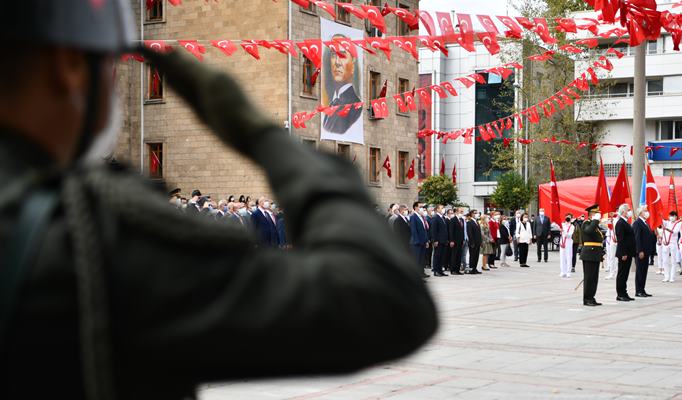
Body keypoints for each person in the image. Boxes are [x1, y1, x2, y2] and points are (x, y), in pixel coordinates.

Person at [0, 2, 437, 396]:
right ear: (68, 66)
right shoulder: (99, 236)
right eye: (109, 67)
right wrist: (262, 136)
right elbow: (384, 305)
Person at [322, 34, 362, 135]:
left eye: (342, 55)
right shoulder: (332, 103)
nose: (337, 62)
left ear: (353, 64)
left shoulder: (356, 106)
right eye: (333, 55)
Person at [580, 205, 604, 306]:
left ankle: (592, 297)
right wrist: (595, 221)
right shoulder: (586, 223)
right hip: (589, 253)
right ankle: (587, 299)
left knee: (594, 278)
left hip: (595, 253)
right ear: (591, 214)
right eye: (596, 213)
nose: (599, 215)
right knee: (589, 277)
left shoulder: (595, 224)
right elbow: (588, 231)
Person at [633, 206, 656, 298]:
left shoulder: (645, 223)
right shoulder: (637, 223)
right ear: (640, 213)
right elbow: (637, 238)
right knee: (640, 271)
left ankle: (642, 289)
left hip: (646, 251)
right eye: (645, 211)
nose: (647, 212)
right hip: (641, 252)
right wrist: (639, 251)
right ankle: (638, 290)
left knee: (644, 271)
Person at [614, 205, 636, 302]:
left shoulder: (625, 222)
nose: (629, 212)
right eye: (628, 210)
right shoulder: (620, 223)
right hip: (624, 253)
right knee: (622, 274)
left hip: (628, 252)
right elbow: (621, 239)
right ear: (623, 212)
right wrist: (623, 253)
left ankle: (624, 292)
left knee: (625, 273)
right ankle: (620, 294)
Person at [410, 202, 430, 278]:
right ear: (415, 207)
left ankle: (421, 273)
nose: (422, 208)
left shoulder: (422, 217)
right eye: (420, 206)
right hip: (417, 242)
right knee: (417, 260)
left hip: (423, 241)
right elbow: (414, 230)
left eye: (422, 207)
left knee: (422, 260)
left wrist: (426, 240)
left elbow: (424, 230)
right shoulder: (413, 217)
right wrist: (417, 241)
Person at [661, 211, 682, 283]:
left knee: (673, 261)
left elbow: (675, 232)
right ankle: (666, 276)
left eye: (673, 216)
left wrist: (666, 229)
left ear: (676, 217)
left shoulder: (678, 223)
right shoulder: (667, 222)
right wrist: (659, 215)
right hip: (665, 243)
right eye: (670, 216)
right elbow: (660, 221)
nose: (671, 217)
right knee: (665, 260)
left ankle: (672, 277)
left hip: (673, 243)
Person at [429, 204, 449, 277]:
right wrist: (435, 240)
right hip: (438, 240)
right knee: (437, 256)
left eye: (443, 208)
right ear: (437, 209)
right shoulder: (435, 217)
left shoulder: (442, 217)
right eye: (442, 208)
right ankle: (436, 271)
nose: (443, 209)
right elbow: (433, 230)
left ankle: (440, 270)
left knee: (442, 256)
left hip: (443, 240)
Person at [447, 208, 464, 275]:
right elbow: (451, 231)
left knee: (459, 256)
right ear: (456, 212)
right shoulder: (453, 220)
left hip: (460, 241)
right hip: (454, 241)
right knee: (454, 255)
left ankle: (457, 269)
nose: (462, 213)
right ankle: (453, 270)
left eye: (462, 212)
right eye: (461, 211)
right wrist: (451, 241)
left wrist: (462, 240)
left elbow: (462, 231)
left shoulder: (461, 220)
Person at [466, 210, 482, 274]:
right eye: (475, 213)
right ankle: (471, 269)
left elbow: (479, 233)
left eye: (477, 213)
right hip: (473, 243)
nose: (477, 214)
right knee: (472, 256)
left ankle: (474, 268)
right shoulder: (469, 222)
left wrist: (480, 242)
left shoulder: (477, 222)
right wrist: (472, 242)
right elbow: (470, 233)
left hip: (477, 242)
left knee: (476, 256)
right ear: (472, 214)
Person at [560, 214, 575, 278]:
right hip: (562, 242)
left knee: (568, 257)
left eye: (569, 218)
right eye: (566, 218)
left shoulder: (572, 226)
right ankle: (563, 271)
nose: (567, 219)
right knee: (562, 257)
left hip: (568, 242)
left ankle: (568, 272)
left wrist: (564, 232)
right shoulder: (562, 225)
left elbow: (569, 235)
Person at [604, 213, 618, 280]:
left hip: (619, 240)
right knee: (612, 256)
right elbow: (609, 225)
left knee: (618, 258)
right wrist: (610, 219)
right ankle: (611, 273)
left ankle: (617, 271)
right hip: (612, 239)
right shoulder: (612, 219)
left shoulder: (620, 219)